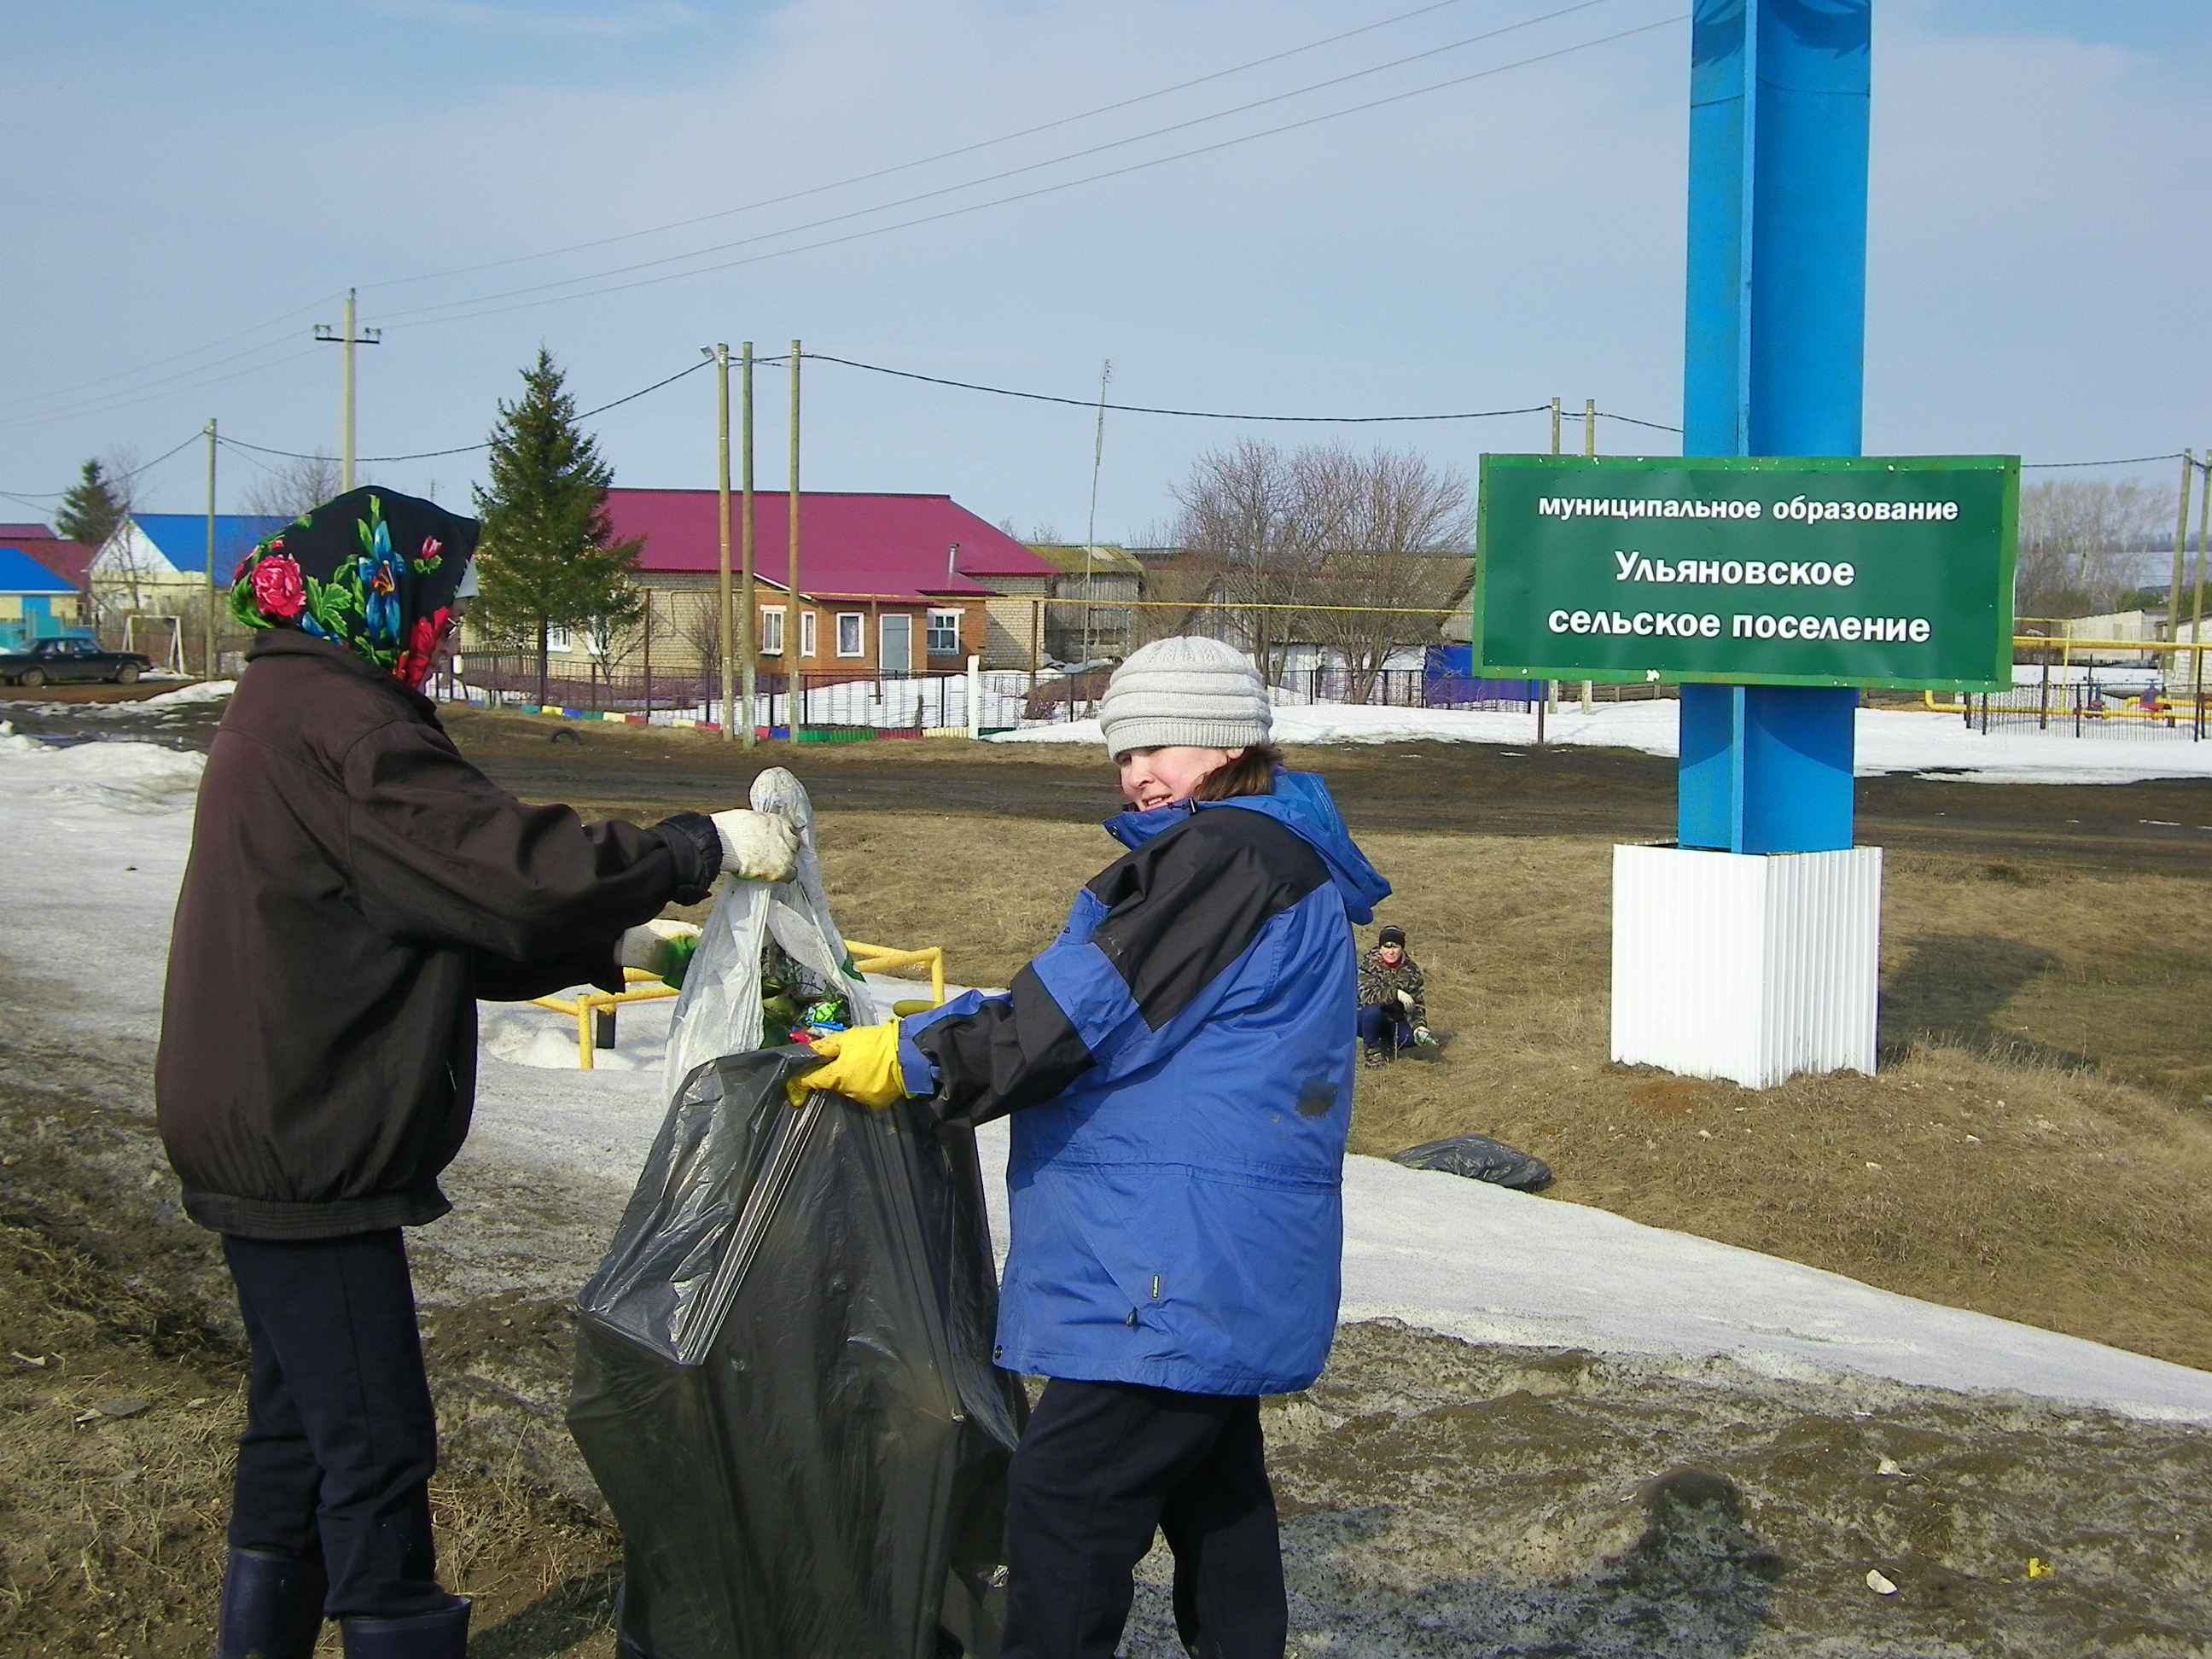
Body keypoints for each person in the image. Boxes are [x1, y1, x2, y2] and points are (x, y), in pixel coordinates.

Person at [155, 489, 799, 1659]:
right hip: (307, 1132)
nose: (446, 629)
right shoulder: (346, 726)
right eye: (438, 604)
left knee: (300, 1428)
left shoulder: (297, 700)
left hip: (269, 1113)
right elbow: (497, 868)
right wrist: (684, 850)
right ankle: (394, 1622)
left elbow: (417, 907)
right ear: (379, 592)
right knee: (375, 1441)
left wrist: (608, 946)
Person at [789, 635, 1390, 1659]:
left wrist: (921, 1062)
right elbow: (1106, 1010)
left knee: (1068, 1495)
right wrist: (930, 1032)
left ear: (1227, 745)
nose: (1136, 773)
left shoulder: (1223, 858)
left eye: (1161, 746)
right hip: (1212, 1241)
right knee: (1212, 1491)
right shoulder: (1264, 856)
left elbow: (1068, 1021)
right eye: (1122, 752)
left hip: (1165, 1255)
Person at [1357, 925, 1434, 1066]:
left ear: (1402, 948)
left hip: (1394, 1019)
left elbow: (1416, 1003)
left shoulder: (1411, 970)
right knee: (1373, 1013)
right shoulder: (1368, 964)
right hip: (1364, 1017)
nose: (1390, 952)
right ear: (1380, 947)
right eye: (1386, 947)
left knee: (1410, 1038)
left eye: (1395, 947)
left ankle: (1387, 1044)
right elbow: (1367, 996)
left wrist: (1419, 1026)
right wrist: (1396, 993)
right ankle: (1372, 1053)